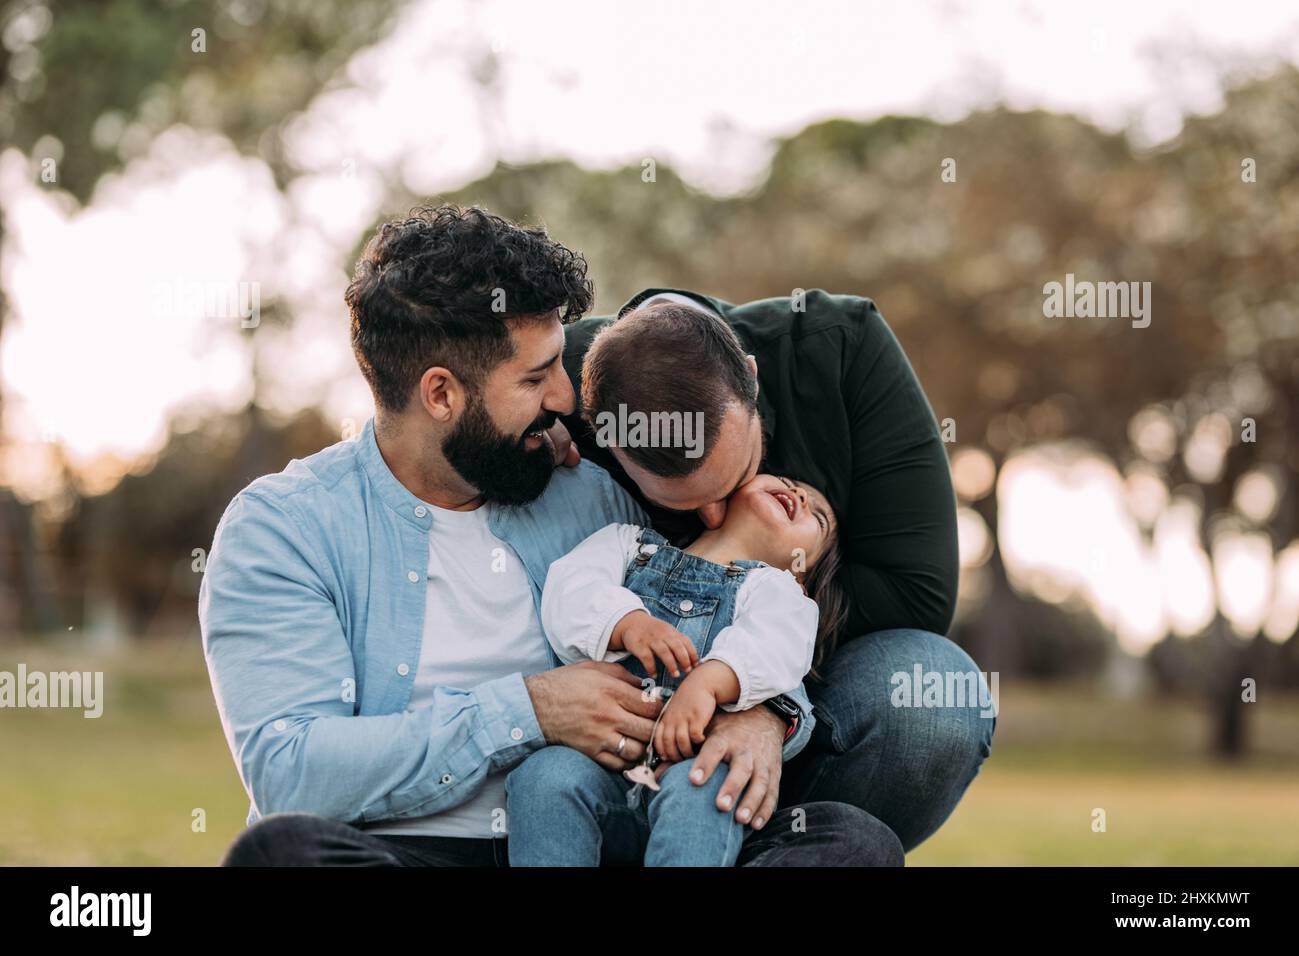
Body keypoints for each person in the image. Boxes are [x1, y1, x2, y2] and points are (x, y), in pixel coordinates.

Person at [203, 205, 898, 866]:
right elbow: (291, 775)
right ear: (441, 394)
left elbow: (722, 610)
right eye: (536, 377)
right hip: (404, 850)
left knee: (853, 844)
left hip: (606, 832)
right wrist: (529, 710)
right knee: (281, 856)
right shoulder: (285, 527)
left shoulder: (589, 495)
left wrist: (767, 714)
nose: (567, 400)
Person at [561, 291, 996, 853]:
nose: (714, 513)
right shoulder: (548, 382)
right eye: (682, 502)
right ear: (601, 436)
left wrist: (762, 699)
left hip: (792, 705)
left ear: (750, 375)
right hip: (608, 728)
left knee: (937, 694)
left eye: (737, 472)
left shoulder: (840, 345)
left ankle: (772, 846)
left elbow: (915, 595)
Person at [507, 474, 849, 866]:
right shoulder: (629, 544)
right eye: (788, 480)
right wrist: (628, 623)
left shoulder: (780, 592)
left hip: (688, 769)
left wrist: (710, 681)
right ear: (714, 503)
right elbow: (571, 589)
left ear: (801, 573)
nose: (800, 495)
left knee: (705, 788)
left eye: (817, 518)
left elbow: (776, 644)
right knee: (544, 776)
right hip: (597, 765)